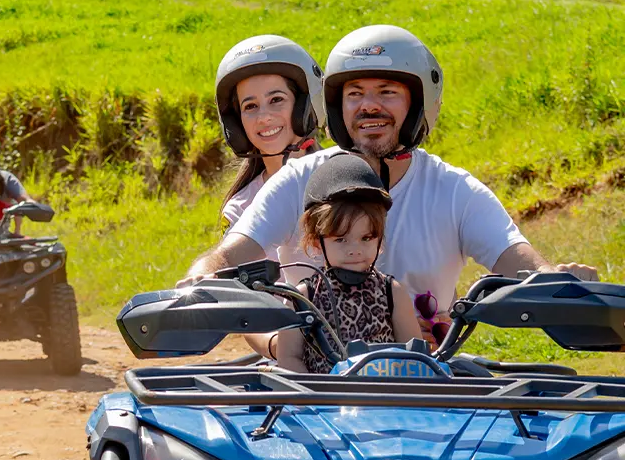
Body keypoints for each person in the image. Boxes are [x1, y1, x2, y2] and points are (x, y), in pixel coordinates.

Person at [184, 25, 598, 355]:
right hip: (309, 385)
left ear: (419, 103)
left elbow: (516, 259)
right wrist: (200, 277)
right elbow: (234, 253)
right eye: (355, 93)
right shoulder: (296, 180)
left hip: (423, 382)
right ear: (336, 107)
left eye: (387, 92)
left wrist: (552, 278)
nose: (369, 106)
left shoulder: (456, 190)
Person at [276, 152, 421, 371]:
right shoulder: (304, 297)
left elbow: (414, 355)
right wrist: (316, 397)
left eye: (366, 238)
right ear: (317, 242)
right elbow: (288, 358)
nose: (355, 250)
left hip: (384, 399)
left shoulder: (392, 292)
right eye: (341, 239)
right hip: (324, 402)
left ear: (379, 240)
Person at [216, 35, 324, 279]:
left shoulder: (346, 177)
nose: (263, 117)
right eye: (250, 106)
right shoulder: (240, 208)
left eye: (276, 100)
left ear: (305, 106)